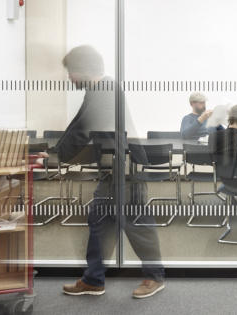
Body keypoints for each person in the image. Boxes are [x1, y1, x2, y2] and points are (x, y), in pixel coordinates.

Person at [57, 45, 165, 298]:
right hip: (112, 170)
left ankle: (155, 277)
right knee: (99, 221)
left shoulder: (105, 89)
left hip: (124, 170)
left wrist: (56, 154)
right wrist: (54, 151)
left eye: (71, 71)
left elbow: (82, 127)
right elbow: (80, 123)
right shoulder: (99, 89)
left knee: (137, 223)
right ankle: (93, 279)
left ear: (84, 70)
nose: (69, 77)